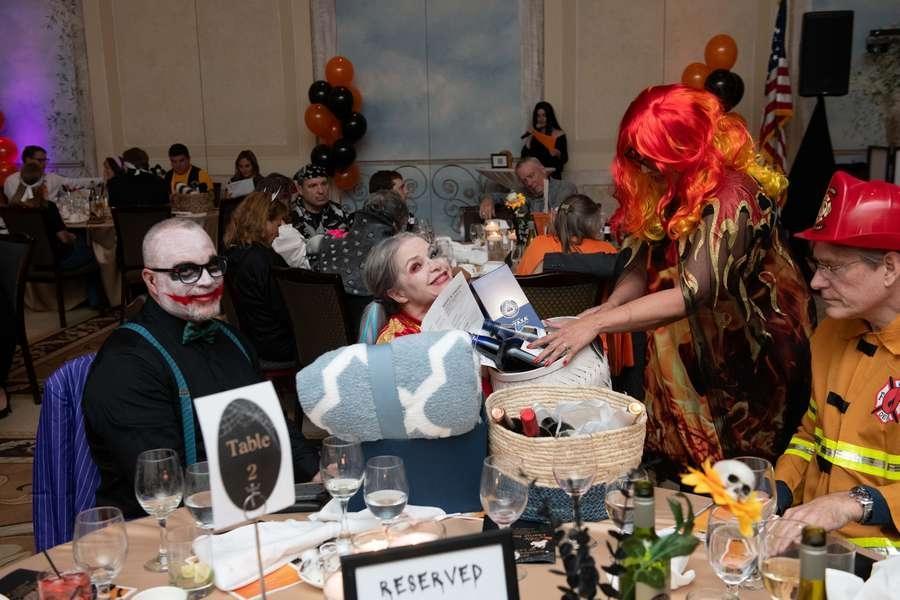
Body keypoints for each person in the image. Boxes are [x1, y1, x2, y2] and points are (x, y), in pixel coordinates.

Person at [532, 85, 814, 474]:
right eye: (637, 157)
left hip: (749, 350)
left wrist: (598, 323)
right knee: (689, 471)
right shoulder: (662, 188)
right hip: (687, 352)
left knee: (744, 472)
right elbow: (637, 265)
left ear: (685, 149)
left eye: (652, 158)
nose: (644, 167)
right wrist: (609, 306)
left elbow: (691, 293)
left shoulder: (734, 195)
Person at [82, 218, 316, 517]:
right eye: (186, 271)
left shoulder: (233, 340)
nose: (207, 281)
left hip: (252, 505)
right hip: (168, 526)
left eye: (213, 266)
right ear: (151, 281)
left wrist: (314, 471)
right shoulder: (126, 365)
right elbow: (163, 482)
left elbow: (274, 425)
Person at [774, 172, 900, 556]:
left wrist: (853, 503)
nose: (815, 282)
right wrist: (777, 490)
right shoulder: (830, 332)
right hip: (816, 549)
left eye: (833, 267)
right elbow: (811, 434)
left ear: (890, 268)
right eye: (817, 264)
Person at [313, 191, 410, 331]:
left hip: (327, 330)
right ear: (395, 225)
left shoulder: (326, 244)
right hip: (378, 335)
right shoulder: (393, 255)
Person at [224, 192, 295, 366]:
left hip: (249, 340)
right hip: (276, 346)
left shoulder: (231, 254)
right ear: (263, 222)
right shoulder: (265, 260)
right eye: (276, 224)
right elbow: (288, 311)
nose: (278, 233)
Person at [364, 233, 453, 344]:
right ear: (398, 294)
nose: (436, 265)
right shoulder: (398, 344)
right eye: (416, 267)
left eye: (433, 254)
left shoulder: (457, 302)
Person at [515, 194, 616, 275]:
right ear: (593, 222)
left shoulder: (538, 244)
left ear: (560, 218)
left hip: (544, 296)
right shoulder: (607, 250)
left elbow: (521, 282)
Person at [478, 157, 576, 221]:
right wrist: (488, 198)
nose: (529, 183)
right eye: (524, 180)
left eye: (531, 176)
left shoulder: (564, 188)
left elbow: (558, 214)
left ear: (543, 170)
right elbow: (500, 197)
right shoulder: (523, 195)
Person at [2, 145, 101, 201]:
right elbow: (20, 205)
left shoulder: (51, 178)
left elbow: (75, 182)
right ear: (28, 160)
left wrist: (102, 180)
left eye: (45, 160)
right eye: (40, 160)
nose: (44, 164)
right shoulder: (12, 180)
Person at [256, 173, 309, 268]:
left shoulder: (252, 221)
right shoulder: (281, 231)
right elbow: (306, 264)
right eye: (292, 203)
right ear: (282, 201)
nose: (294, 208)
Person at [291, 164, 351, 239]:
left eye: (324, 184)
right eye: (313, 186)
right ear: (300, 189)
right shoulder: (290, 216)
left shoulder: (340, 212)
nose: (321, 191)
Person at [521, 101, 568, 179]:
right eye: (538, 116)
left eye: (544, 115)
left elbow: (565, 159)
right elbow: (524, 157)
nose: (541, 119)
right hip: (535, 178)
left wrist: (558, 153)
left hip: (553, 177)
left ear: (549, 117)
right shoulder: (534, 135)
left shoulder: (559, 134)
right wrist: (530, 136)